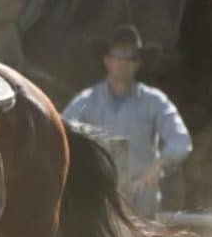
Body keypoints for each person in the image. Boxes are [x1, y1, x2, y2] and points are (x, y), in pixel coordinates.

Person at [62, 25, 191, 218]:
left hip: (141, 197)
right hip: (98, 197)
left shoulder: (154, 101)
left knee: (143, 232)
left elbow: (181, 140)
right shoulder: (87, 101)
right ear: (107, 60)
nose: (124, 63)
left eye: (131, 58)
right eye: (118, 56)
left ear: (138, 64)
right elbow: (61, 133)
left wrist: (159, 166)